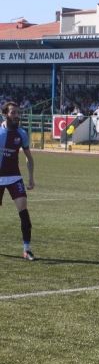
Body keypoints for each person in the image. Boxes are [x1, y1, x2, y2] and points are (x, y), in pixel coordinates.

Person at [0, 102, 35, 260]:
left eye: (17, 113)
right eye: (13, 113)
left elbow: (29, 158)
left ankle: (26, 249)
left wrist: (31, 177)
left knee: (24, 213)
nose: (16, 116)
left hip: (15, 177)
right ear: (5, 114)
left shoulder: (22, 133)